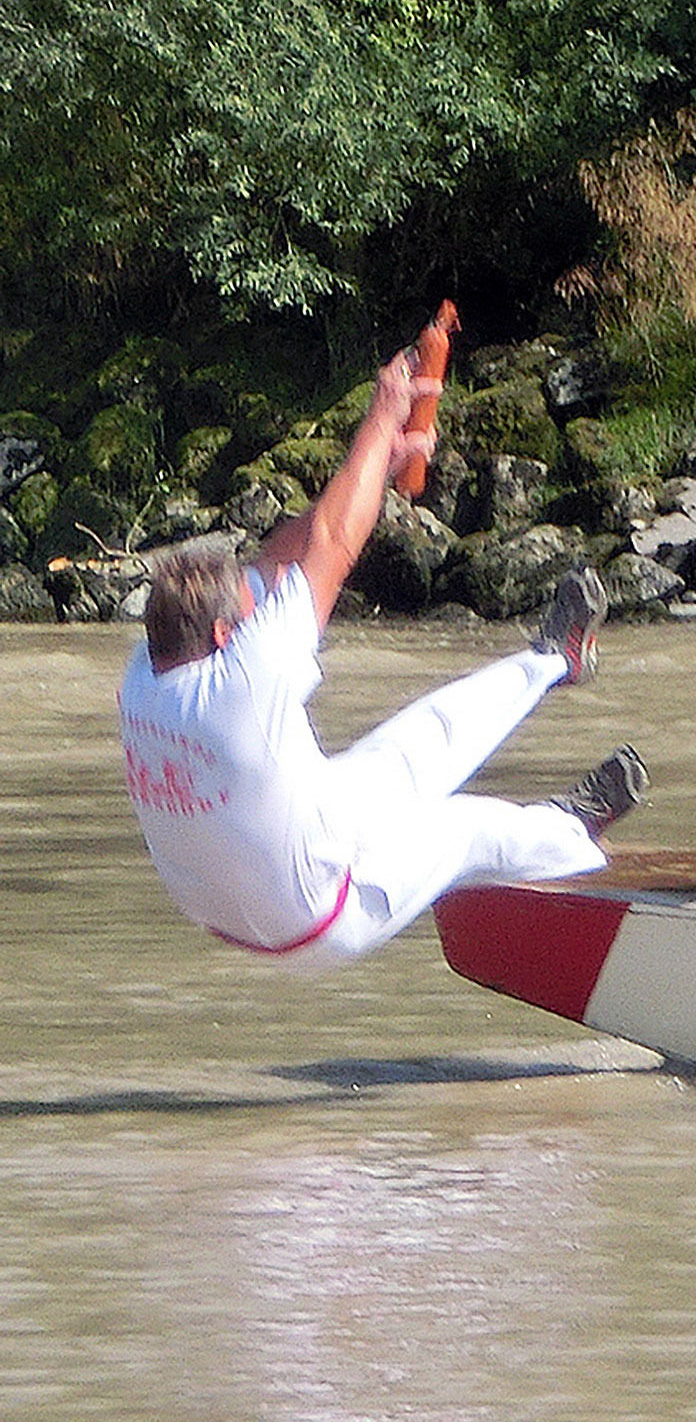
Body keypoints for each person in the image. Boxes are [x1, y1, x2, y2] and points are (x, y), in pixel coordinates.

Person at [118, 346, 648, 968]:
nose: (258, 606)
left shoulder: (144, 669)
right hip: (319, 920)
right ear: (222, 637)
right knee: (463, 827)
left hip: (241, 904)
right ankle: (571, 835)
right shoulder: (245, 681)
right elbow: (335, 543)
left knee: (411, 748)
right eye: (247, 611)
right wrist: (382, 417)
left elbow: (278, 562)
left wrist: (378, 469)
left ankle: (552, 659)